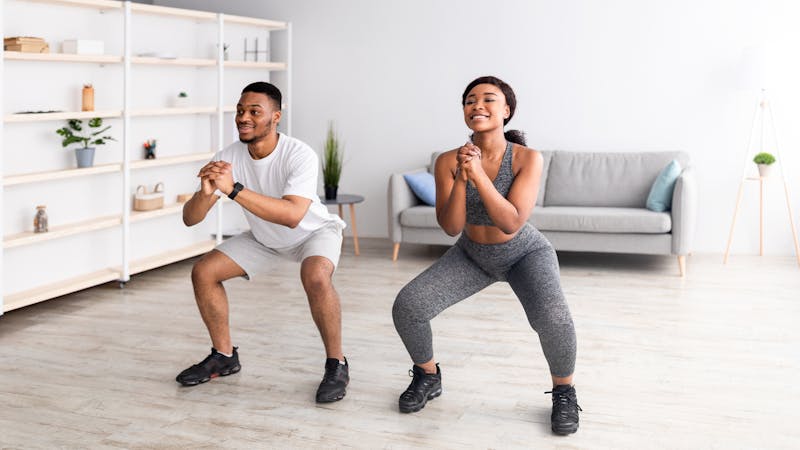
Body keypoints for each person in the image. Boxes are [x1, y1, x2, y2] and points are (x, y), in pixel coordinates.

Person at [392, 76, 581, 434]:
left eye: (488, 99)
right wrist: (462, 177)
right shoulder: (448, 160)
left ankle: (564, 391)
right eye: (470, 100)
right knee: (409, 306)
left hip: (524, 252)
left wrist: (478, 175)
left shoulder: (527, 158)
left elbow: (511, 222)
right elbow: (450, 227)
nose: (477, 105)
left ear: (506, 111)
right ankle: (428, 376)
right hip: (472, 254)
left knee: (554, 318)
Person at [176, 81, 350, 404]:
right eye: (240, 111)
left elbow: (293, 215)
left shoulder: (299, 154)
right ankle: (224, 356)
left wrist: (232, 189)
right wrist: (204, 193)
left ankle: (336, 364)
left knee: (314, 276)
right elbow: (190, 218)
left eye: (255, 111)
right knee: (204, 272)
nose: (244, 117)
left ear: (276, 117)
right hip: (265, 238)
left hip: (313, 233)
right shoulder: (229, 157)